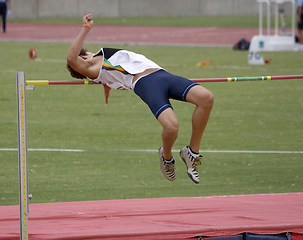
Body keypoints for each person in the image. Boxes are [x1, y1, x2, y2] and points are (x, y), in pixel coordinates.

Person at [66, 14, 214, 184]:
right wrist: (86, 28)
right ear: (84, 58)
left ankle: (191, 153)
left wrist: (105, 86)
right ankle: (166, 158)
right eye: (87, 54)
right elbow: (71, 59)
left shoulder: (102, 65)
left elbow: (109, 76)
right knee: (172, 127)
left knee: (206, 98)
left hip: (162, 74)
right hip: (146, 83)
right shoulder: (91, 66)